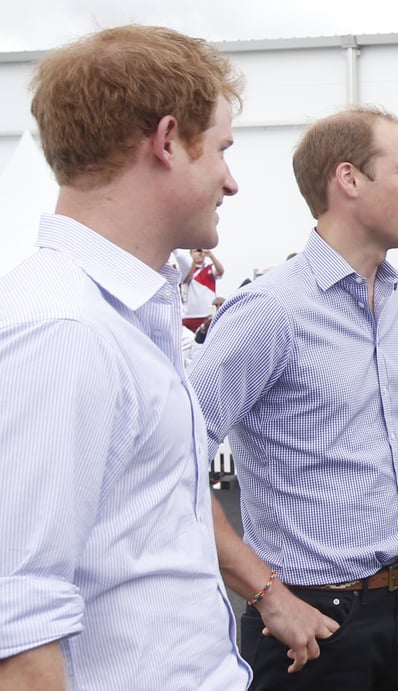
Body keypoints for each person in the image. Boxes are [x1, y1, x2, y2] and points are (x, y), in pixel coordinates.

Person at [0, 25, 250, 689]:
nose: (232, 180)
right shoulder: (66, 328)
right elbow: (19, 634)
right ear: (168, 141)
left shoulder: (123, 314)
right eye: (222, 150)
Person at [189, 105, 398, 690]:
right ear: (349, 179)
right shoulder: (269, 311)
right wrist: (268, 594)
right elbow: (166, 463)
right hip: (305, 622)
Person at [181, 247, 225, 331]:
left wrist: (211, 256)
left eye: (200, 250)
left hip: (209, 312)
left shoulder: (210, 268)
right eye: (196, 251)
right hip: (190, 314)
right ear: (190, 253)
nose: (199, 253)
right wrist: (194, 262)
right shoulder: (186, 270)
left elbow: (220, 271)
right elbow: (185, 279)